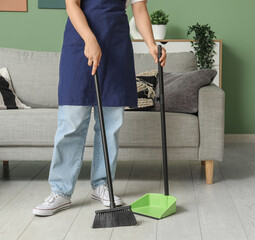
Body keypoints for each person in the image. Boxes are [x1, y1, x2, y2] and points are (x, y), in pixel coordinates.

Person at [32, 0, 166, 216]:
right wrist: (90, 39)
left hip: (116, 47)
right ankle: (60, 192)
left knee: (110, 125)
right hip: (80, 44)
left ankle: (102, 184)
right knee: (71, 123)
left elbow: (139, 9)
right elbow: (72, 5)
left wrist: (151, 43)